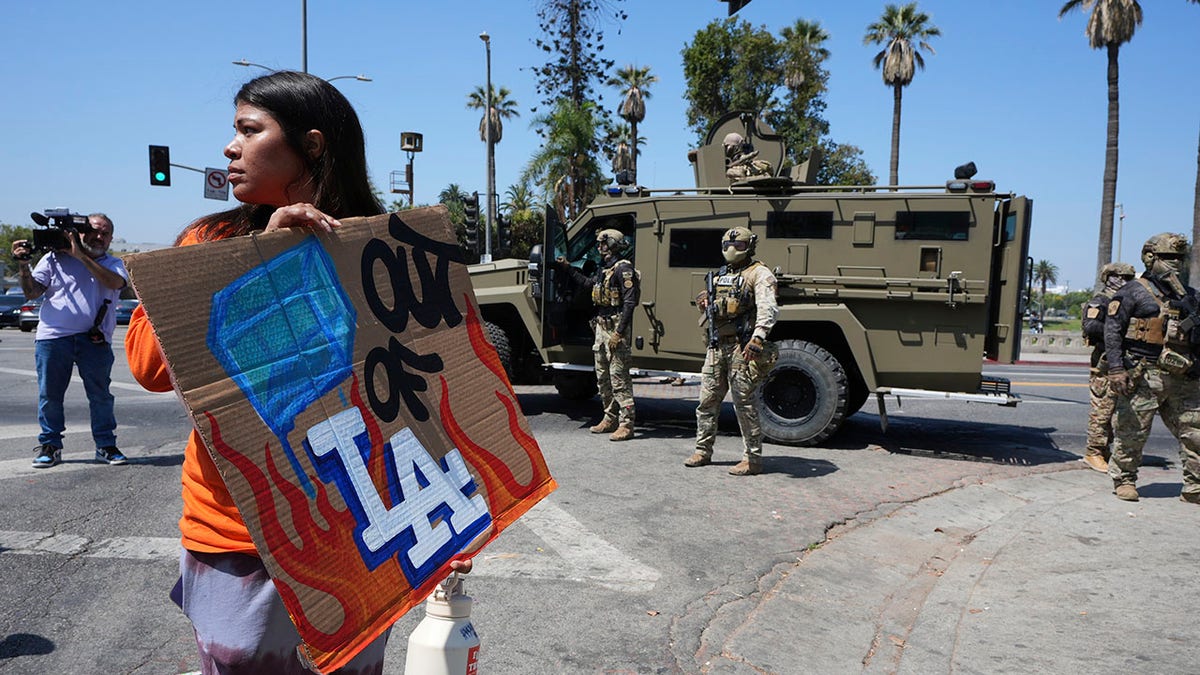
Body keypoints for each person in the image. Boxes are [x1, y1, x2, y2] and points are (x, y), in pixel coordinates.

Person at [125, 70, 470, 674]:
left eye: (248, 131)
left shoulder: (381, 249)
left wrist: (456, 507)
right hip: (238, 531)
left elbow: (429, 392)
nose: (229, 149)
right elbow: (151, 367)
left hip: (364, 523)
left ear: (311, 146)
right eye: (232, 132)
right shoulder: (207, 239)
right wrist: (259, 259)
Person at [12, 213, 129, 468]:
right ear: (80, 232)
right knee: (50, 396)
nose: (99, 236)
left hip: (95, 340)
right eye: (94, 230)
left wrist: (80, 256)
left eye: (105, 233)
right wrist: (23, 264)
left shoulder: (114, 264)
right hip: (53, 338)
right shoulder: (53, 259)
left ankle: (106, 446)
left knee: (101, 396)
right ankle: (50, 446)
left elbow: (114, 283)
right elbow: (32, 292)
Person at [1103, 233, 1200, 504]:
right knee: (1132, 431)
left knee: (1195, 432)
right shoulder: (1133, 292)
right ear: (1150, 258)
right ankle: (1124, 480)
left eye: (1180, 258)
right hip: (1144, 373)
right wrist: (1116, 369)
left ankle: (1195, 487)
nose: (1176, 264)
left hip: (1183, 375)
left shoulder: (1190, 296)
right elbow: (1112, 332)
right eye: (1169, 258)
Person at [685, 226, 778, 475]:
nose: (732, 249)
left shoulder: (759, 273)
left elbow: (768, 308)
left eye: (738, 245)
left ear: (749, 247)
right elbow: (712, 310)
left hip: (742, 346)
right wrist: (704, 304)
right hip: (717, 346)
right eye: (728, 245)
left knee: (744, 403)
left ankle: (752, 459)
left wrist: (758, 338)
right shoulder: (720, 275)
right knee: (706, 400)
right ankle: (702, 450)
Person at [555, 229, 640, 441]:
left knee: (619, 377)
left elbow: (630, 302)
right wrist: (568, 269)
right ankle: (609, 418)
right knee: (602, 376)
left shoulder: (624, 269)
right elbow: (589, 285)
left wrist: (619, 333)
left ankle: (627, 424)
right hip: (601, 327)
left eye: (603, 242)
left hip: (615, 328)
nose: (599, 247)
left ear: (612, 244)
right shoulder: (605, 269)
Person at [1080, 261, 1136, 472]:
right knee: (1102, 410)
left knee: (1115, 411)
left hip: (1119, 361)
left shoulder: (1123, 301)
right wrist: (1119, 331)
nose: (1125, 282)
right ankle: (1093, 452)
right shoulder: (1100, 301)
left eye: (1129, 279)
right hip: (1103, 363)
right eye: (1121, 277)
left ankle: (1104, 450)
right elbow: (1091, 326)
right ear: (1110, 277)